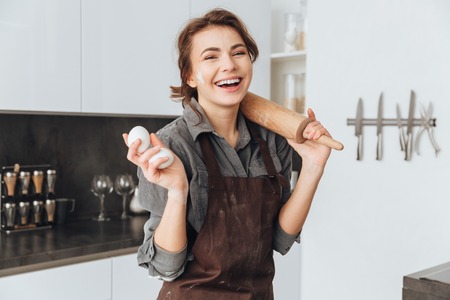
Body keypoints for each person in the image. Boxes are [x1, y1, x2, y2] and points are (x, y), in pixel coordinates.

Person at [123, 8, 331, 300]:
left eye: (238, 53)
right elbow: (166, 267)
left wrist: (312, 167)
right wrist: (178, 191)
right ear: (190, 76)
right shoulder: (170, 146)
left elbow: (280, 239)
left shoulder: (272, 141)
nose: (229, 65)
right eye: (211, 57)